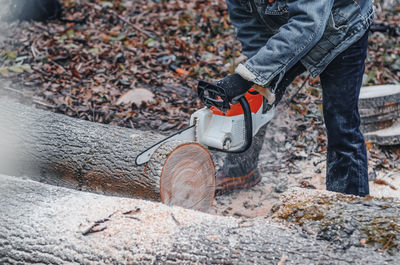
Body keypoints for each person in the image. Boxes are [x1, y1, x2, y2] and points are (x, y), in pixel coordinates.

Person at [213, 0, 374, 197]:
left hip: (343, 25)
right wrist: (255, 77)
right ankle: (240, 170)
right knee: (256, 93)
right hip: (291, 31)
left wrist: (252, 74)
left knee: (341, 120)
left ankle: (349, 201)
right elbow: (249, 27)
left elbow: (308, 23)